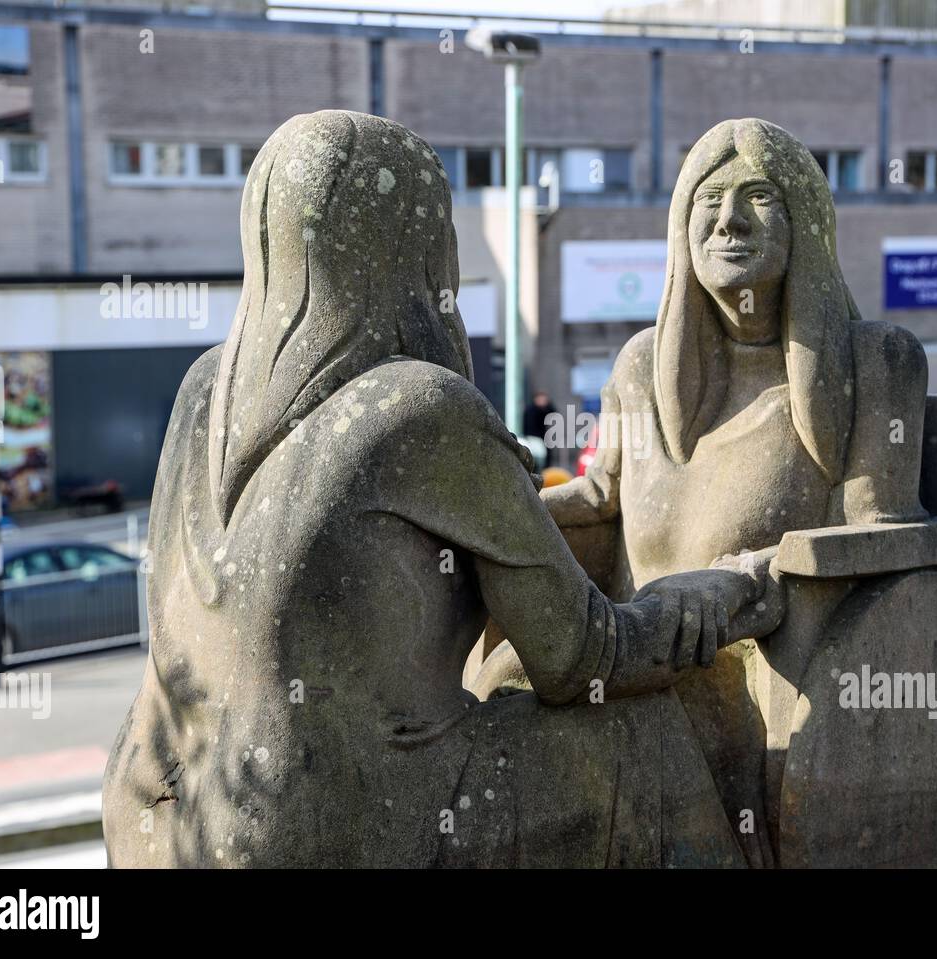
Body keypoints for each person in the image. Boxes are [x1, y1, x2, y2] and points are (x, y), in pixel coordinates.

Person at [102, 111, 780, 869]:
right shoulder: (421, 408)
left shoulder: (200, 391)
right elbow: (582, 658)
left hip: (153, 812)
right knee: (641, 737)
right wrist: (702, 602)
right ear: (416, 245)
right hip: (328, 823)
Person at [473, 118, 929, 865]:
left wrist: (740, 585)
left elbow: (875, 545)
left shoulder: (877, 364)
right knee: (505, 685)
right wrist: (491, 520)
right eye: (708, 199)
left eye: (758, 197)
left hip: (748, 678)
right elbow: (598, 499)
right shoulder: (641, 367)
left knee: (538, 696)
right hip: (621, 647)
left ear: (806, 221)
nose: (729, 221)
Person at [521, 390, 558, 466]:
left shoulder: (545, 409)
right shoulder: (531, 409)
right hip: (531, 438)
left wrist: (547, 404)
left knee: (546, 456)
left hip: (542, 438)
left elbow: (554, 412)